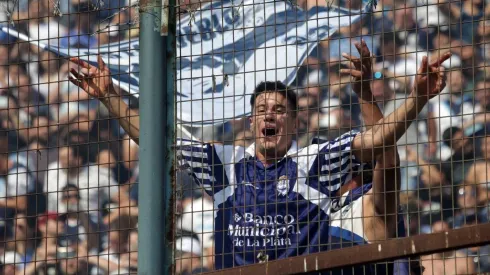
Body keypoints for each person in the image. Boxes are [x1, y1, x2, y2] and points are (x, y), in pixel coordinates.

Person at [68, 43, 450, 269]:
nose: (269, 114)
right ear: (252, 121)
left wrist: (417, 98)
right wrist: (109, 96)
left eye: (279, 110)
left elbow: (379, 143)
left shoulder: (314, 162)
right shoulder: (225, 164)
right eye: (262, 108)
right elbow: (156, 144)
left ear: (295, 122)